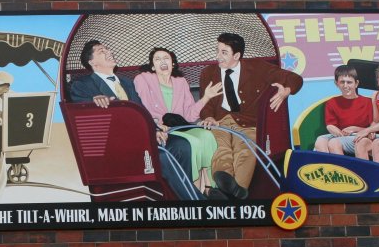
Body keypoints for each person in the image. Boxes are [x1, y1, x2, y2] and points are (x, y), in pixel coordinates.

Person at [69, 40, 202, 200]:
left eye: (108, 48)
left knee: (182, 146)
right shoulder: (83, 85)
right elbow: (79, 107)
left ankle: (176, 198)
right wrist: (93, 99)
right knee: (163, 157)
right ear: (92, 62)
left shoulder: (126, 82)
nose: (109, 52)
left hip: (141, 142)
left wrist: (155, 130)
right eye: (101, 51)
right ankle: (196, 202)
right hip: (117, 149)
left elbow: (141, 112)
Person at [198, 32, 303, 201]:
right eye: (217, 51)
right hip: (220, 121)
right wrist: (209, 117)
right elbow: (206, 103)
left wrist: (286, 91)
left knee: (246, 149)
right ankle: (225, 179)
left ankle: (232, 192)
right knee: (220, 147)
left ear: (237, 55)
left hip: (249, 123)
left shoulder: (258, 68)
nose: (218, 56)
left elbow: (294, 78)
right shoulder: (208, 73)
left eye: (224, 52)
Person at [132, 47, 222, 192]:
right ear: (152, 66)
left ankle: (211, 186)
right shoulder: (143, 79)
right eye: (158, 59)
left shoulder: (181, 82)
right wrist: (155, 124)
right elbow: (142, 106)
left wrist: (206, 97)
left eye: (166, 58)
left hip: (179, 126)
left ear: (173, 63)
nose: (163, 61)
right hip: (160, 128)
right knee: (194, 142)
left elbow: (189, 115)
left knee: (207, 136)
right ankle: (194, 188)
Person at [313, 65, 372, 156]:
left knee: (334, 142)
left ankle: (343, 168)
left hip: (359, 136)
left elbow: (373, 128)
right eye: (342, 82)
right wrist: (339, 133)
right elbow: (330, 125)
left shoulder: (368, 102)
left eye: (349, 82)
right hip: (340, 135)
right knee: (320, 141)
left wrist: (354, 129)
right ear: (336, 83)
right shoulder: (332, 102)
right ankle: (329, 167)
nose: (345, 86)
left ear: (356, 83)